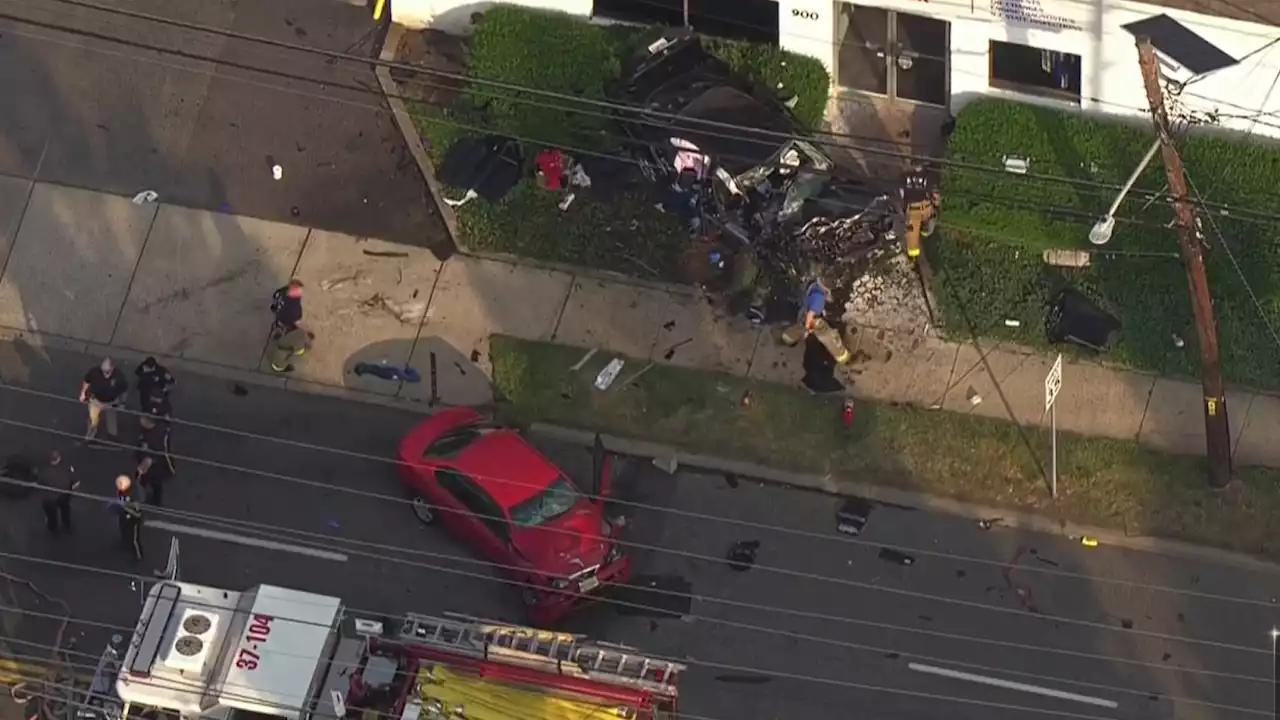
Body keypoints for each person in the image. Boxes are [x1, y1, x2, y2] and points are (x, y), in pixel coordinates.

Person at [268, 280, 312, 374]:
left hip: (279, 322)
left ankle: (297, 348)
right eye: (300, 292)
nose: (301, 294)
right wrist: (304, 331)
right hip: (287, 327)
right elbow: (298, 321)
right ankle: (278, 366)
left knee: (293, 338)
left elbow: (274, 301)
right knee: (286, 346)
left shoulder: (281, 292)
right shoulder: (294, 307)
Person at [80, 358, 128, 443]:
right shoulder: (94, 372)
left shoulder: (119, 376)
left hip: (111, 402)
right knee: (92, 418)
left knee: (111, 418)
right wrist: (83, 393)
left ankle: (112, 434)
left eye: (107, 371)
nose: (104, 374)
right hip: (96, 400)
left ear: (112, 368)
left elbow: (124, 390)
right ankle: (91, 435)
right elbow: (86, 381)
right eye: (103, 371)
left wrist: (122, 403)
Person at [135, 416, 174, 507]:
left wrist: (151, 460)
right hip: (145, 463)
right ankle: (144, 499)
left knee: (156, 483)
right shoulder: (144, 431)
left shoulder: (158, 435)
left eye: (143, 419)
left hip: (156, 466)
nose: (141, 420)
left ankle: (155, 502)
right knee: (141, 481)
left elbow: (162, 451)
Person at [39, 451, 78, 535]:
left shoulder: (43, 472)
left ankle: (53, 530)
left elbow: (39, 483)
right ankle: (67, 525)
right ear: (59, 458)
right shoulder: (67, 468)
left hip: (49, 499)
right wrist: (70, 489)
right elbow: (76, 483)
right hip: (63, 495)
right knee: (65, 510)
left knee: (51, 515)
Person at [110, 474, 145, 562]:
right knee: (123, 530)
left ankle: (138, 556)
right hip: (124, 516)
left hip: (134, 520)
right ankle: (125, 543)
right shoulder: (121, 491)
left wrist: (125, 508)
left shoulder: (135, 496)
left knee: (135, 540)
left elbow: (138, 514)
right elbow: (119, 500)